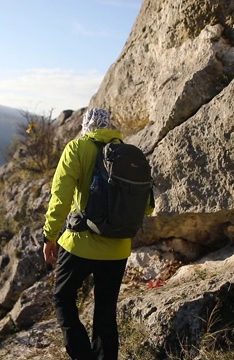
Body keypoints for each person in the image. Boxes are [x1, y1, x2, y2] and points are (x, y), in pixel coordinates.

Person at [43, 108, 147, 360]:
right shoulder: (130, 154)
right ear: (109, 126)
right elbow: (147, 204)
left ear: (85, 126)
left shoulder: (77, 148)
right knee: (105, 310)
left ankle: (82, 356)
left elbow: (61, 198)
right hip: (118, 248)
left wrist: (50, 236)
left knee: (62, 298)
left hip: (80, 243)